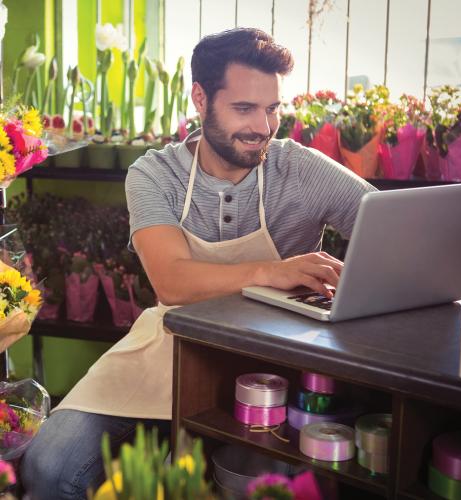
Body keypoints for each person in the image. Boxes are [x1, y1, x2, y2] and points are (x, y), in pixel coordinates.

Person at [20, 27, 376, 499]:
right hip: (169, 347)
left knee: (251, 480)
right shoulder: (154, 174)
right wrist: (274, 271)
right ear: (201, 99)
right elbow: (174, 282)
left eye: (272, 109)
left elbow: (389, 232)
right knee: (49, 467)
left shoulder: (301, 169)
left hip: (275, 359)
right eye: (244, 109)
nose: (263, 126)